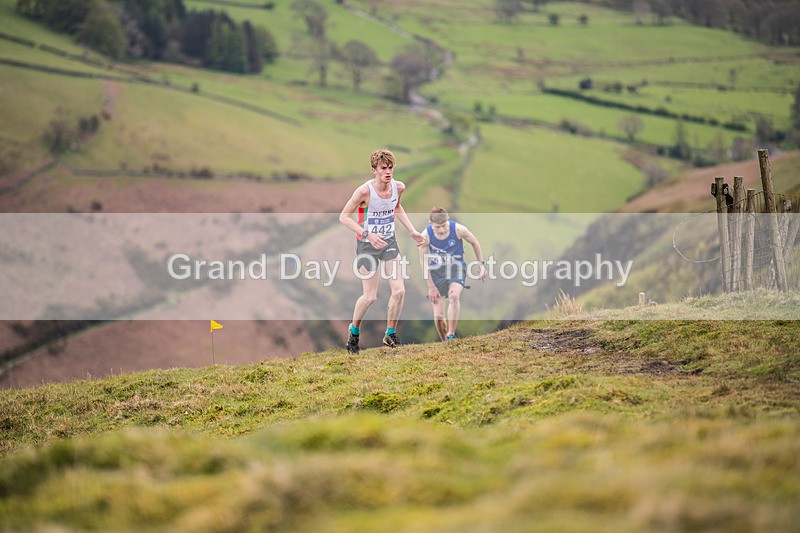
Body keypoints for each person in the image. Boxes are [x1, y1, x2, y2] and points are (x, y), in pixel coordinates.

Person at [339, 148, 424, 353]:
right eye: (383, 168)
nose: (388, 172)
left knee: (400, 290)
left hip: (389, 243)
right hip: (367, 246)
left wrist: (412, 230)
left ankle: (390, 334)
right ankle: (354, 331)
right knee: (370, 297)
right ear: (374, 170)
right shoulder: (364, 192)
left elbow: (397, 207)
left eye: (391, 168)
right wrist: (368, 234)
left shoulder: (398, 187)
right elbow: (343, 217)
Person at [418, 207, 486, 342]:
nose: (442, 230)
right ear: (430, 223)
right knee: (438, 316)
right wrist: (431, 286)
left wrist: (481, 265)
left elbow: (474, 242)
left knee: (454, 296)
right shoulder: (425, 235)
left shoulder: (459, 230)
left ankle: (450, 335)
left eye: (444, 226)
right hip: (437, 272)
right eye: (438, 227)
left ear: (448, 220)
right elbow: (422, 259)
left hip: (457, 269)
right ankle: (445, 343)